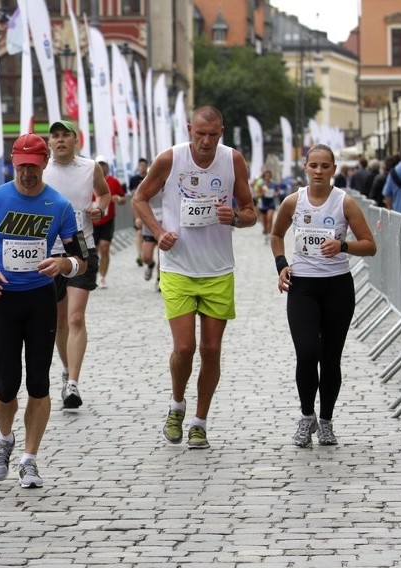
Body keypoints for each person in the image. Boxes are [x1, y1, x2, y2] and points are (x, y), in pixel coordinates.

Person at [0, 133, 88, 489]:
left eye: (33, 167)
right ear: (13, 164)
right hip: (3, 299)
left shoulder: (59, 205)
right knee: (6, 385)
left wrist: (63, 265)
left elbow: (81, 258)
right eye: (21, 167)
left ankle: (29, 459)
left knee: (38, 383)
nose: (27, 174)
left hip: (39, 301)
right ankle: (5, 439)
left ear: (44, 163)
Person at [131, 105, 257, 449]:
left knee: (211, 350)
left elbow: (251, 213)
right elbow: (139, 198)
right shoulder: (170, 159)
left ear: (222, 133)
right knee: (185, 347)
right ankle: (176, 406)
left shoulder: (233, 161)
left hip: (218, 269)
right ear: (189, 129)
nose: (205, 141)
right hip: (178, 266)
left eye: (213, 135)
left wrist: (234, 217)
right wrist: (158, 232)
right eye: (200, 134)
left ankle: (199, 421)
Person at [270, 143, 377, 448]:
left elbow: (370, 245)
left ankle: (327, 421)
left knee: (330, 358)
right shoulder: (293, 202)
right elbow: (276, 235)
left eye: (324, 166)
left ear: (333, 169)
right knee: (306, 353)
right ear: (305, 167)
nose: (318, 171)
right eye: (313, 165)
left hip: (337, 287)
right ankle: (307, 417)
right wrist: (281, 265)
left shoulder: (345, 203)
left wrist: (343, 246)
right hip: (302, 287)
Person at [43, 120, 110, 409]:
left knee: (75, 318)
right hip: (49, 252)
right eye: (54, 136)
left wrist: (100, 207)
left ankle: (73, 384)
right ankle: (68, 369)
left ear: (75, 140)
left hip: (83, 247)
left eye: (65, 135)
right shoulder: (40, 170)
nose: (60, 140)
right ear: (48, 143)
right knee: (59, 323)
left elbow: (104, 193)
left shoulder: (89, 167)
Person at [92, 156, 126, 289]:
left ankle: (102, 277)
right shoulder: (89, 180)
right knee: (93, 251)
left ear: (107, 166)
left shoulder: (114, 181)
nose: (101, 166)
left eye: (103, 164)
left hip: (108, 219)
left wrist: (119, 199)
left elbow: (123, 199)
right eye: (98, 164)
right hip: (92, 221)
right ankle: (92, 275)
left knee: (105, 248)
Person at [129, 158, 149, 267]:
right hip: (138, 209)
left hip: (150, 209)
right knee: (139, 232)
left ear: (146, 166)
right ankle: (140, 255)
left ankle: (148, 256)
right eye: (140, 165)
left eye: (144, 165)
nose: (142, 167)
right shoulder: (134, 179)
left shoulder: (150, 177)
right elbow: (133, 196)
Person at [253, 169, 277, 241]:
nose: (268, 177)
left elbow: (277, 192)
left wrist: (276, 193)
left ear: (271, 176)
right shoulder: (261, 185)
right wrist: (262, 194)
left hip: (271, 203)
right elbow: (257, 195)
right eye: (266, 176)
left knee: (270, 218)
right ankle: (266, 233)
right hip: (264, 204)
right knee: (265, 221)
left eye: (269, 176)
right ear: (264, 177)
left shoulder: (273, 184)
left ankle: (270, 234)